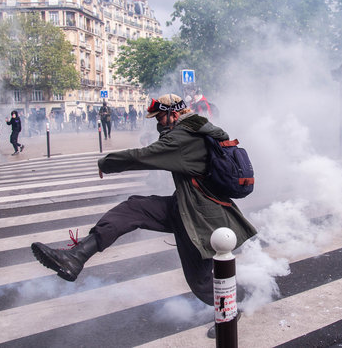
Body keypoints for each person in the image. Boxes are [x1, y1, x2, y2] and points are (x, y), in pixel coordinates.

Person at [31, 94, 257, 336]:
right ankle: (76, 256)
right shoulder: (192, 128)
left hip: (201, 217)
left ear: (174, 113)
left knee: (200, 282)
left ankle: (233, 306)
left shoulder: (185, 136)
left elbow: (145, 155)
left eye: (160, 116)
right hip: (186, 205)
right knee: (134, 208)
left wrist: (106, 162)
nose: (157, 121)